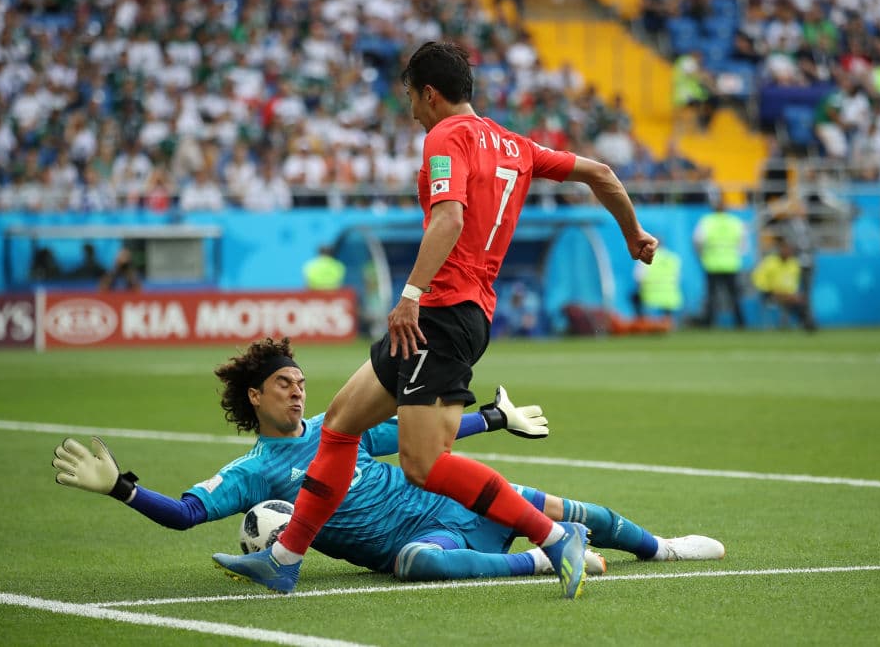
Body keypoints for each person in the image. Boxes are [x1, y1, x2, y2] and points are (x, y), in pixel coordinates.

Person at [216, 41, 659, 599]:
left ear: (429, 92)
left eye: (409, 95)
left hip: (441, 314)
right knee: (339, 427)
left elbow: (449, 217)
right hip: (455, 314)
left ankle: (553, 537)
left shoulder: (444, 137)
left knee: (424, 464)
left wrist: (410, 294)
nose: (410, 108)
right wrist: (632, 234)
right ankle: (283, 559)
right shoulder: (515, 145)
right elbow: (601, 173)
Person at [51, 338, 724, 585]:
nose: (299, 390)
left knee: (556, 503)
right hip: (423, 541)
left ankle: (661, 546)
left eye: (301, 380)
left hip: (452, 502)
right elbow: (185, 513)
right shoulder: (253, 471)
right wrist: (122, 487)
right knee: (417, 565)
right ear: (256, 396)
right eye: (285, 383)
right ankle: (544, 559)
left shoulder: (337, 427)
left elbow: (420, 436)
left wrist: (491, 417)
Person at [693, 197, 747, 329]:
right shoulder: (735, 222)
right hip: (731, 264)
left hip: (712, 263)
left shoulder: (707, 221)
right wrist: (735, 255)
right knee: (734, 296)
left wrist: (702, 255)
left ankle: (710, 323)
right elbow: (743, 244)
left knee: (712, 297)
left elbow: (698, 241)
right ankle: (740, 324)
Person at [751, 237, 817, 332]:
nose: (787, 252)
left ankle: (806, 322)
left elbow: (793, 283)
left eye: (789, 250)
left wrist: (792, 294)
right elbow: (758, 278)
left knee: (801, 299)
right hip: (769, 292)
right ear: (780, 250)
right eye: (785, 249)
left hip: (786, 294)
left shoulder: (793, 264)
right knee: (792, 299)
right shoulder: (770, 262)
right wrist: (770, 289)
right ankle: (806, 323)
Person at [631, 243, 683, 320]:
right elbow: (678, 278)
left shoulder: (645, 258)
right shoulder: (673, 258)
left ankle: (642, 320)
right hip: (670, 296)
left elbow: (638, 278)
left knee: (634, 297)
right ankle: (668, 321)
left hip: (649, 295)